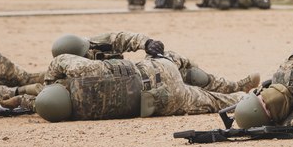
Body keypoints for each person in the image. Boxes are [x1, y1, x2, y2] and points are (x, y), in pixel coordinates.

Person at [33, 49, 249, 122]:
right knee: (181, 63)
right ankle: (230, 83)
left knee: (213, 101)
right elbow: (60, 59)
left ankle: (246, 97)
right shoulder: (86, 71)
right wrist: (48, 83)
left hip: (164, 100)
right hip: (157, 70)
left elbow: (38, 103)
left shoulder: (81, 114)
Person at [50, 31, 259, 94]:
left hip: (137, 71)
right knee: (194, 94)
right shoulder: (69, 74)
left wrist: (147, 43)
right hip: (134, 91)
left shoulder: (96, 43)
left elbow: (121, 38)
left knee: (185, 68)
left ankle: (233, 87)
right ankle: (232, 94)